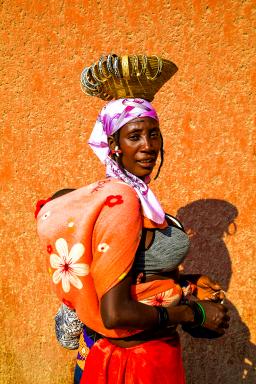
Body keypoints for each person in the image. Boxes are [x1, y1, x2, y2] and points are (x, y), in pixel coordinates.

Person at [36, 56, 229, 384]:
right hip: (132, 363)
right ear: (114, 146)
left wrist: (188, 283)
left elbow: (133, 273)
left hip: (149, 355)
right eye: (135, 136)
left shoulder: (137, 198)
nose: (148, 147)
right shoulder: (120, 200)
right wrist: (193, 312)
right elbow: (116, 313)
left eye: (153, 135)